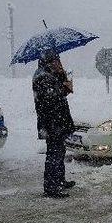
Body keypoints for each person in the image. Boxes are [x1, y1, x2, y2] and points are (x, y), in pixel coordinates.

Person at [32, 50, 76, 198]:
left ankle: (60, 181)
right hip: (52, 123)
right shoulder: (42, 77)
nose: (59, 63)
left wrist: (62, 76)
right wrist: (64, 88)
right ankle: (51, 187)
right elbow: (50, 100)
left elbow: (56, 94)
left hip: (57, 122)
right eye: (56, 61)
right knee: (53, 155)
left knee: (59, 152)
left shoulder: (49, 75)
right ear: (49, 62)